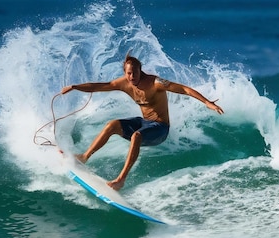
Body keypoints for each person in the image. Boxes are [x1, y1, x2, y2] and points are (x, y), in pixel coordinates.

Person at [61, 53, 224, 191]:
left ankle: (121, 180)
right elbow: (102, 86)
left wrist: (207, 102)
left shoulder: (156, 83)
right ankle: (84, 157)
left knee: (136, 136)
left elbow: (184, 89)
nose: (132, 77)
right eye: (129, 74)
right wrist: (76, 87)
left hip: (160, 128)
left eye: (135, 73)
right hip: (144, 122)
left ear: (141, 70)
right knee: (112, 125)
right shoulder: (124, 83)